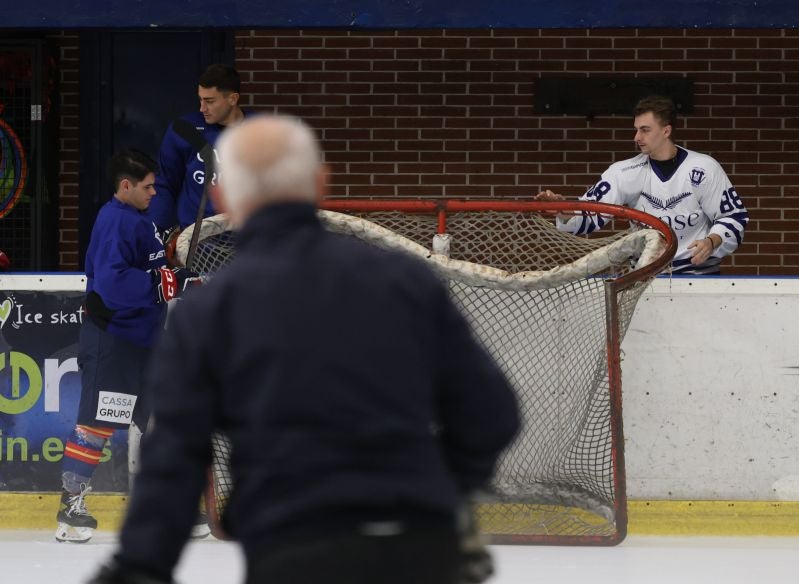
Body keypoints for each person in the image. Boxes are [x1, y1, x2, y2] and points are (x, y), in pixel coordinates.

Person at [87, 115, 521, 584]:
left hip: (294, 547)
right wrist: (441, 490)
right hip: (424, 547)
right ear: (320, 182)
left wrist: (138, 567)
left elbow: (174, 459)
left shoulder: (211, 310)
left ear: (223, 198)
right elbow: (492, 413)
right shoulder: (404, 281)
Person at [56, 150, 199, 543]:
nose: (155, 192)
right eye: (148, 186)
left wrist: (174, 276)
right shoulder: (115, 221)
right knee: (97, 424)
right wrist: (160, 285)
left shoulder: (139, 218)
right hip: (114, 342)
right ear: (126, 186)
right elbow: (111, 283)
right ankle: (70, 508)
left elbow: (148, 268)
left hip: (146, 340)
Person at [536, 95, 749, 275]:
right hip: (645, 277)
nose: (637, 137)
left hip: (698, 275)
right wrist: (564, 211)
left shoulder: (704, 168)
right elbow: (591, 213)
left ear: (666, 131)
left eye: (645, 130)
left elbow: (734, 217)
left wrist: (712, 240)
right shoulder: (623, 172)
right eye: (636, 129)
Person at [148, 64, 253, 236]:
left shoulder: (261, 131)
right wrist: (157, 233)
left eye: (210, 101)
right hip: (196, 242)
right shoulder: (184, 129)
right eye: (201, 99)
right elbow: (164, 185)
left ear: (233, 99)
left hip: (247, 238)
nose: (202, 108)